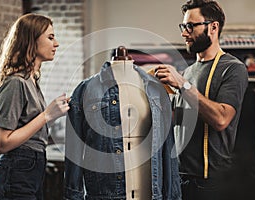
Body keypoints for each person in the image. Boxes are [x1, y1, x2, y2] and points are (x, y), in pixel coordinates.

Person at [155, 0, 248, 200]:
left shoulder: (233, 68)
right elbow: (177, 120)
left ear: (213, 27)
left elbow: (221, 119)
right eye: (183, 26)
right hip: (178, 178)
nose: (184, 33)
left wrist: (182, 84)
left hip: (209, 183)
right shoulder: (188, 72)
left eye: (190, 26)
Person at [64, 46, 181, 200]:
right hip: (106, 194)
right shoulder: (85, 90)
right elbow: (74, 153)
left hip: (150, 193)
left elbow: (168, 149)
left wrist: (172, 195)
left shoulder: (156, 90)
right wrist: (73, 196)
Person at [0, 13, 70, 200]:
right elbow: (2, 143)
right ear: (31, 40)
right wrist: (46, 115)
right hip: (16, 173)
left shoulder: (31, 82)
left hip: (30, 171)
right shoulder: (15, 83)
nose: (57, 44)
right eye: (50, 37)